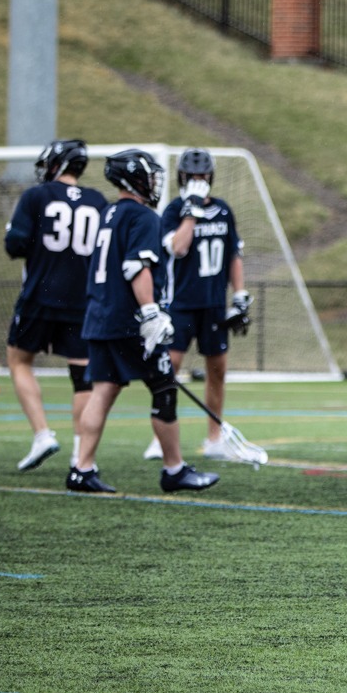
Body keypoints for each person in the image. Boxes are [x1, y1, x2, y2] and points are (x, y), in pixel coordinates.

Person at [68, 149, 219, 496]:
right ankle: (174, 470)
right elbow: (136, 267)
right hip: (128, 321)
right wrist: (150, 312)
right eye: (149, 177)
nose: (154, 183)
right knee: (164, 387)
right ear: (134, 178)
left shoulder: (108, 214)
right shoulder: (142, 217)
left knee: (103, 389)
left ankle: (81, 468)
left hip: (100, 317)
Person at [144, 148, 264, 466]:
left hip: (213, 305)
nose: (198, 180)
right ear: (182, 177)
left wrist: (240, 294)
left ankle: (214, 438)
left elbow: (234, 254)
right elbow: (178, 247)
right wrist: (192, 210)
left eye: (202, 176)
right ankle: (160, 438)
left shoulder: (223, 210)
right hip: (180, 305)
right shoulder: (173, 211)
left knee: (217, 370)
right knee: (168, 370)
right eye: (192, 176)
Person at [1, 139, 108, 472]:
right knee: (82, 377)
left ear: (56, 165)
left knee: (19, 360)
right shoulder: (97, 200)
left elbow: (15, 244)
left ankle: (42, 434)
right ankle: (80, 454)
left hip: (40, 296)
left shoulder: (37, 196)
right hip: (82, 300)